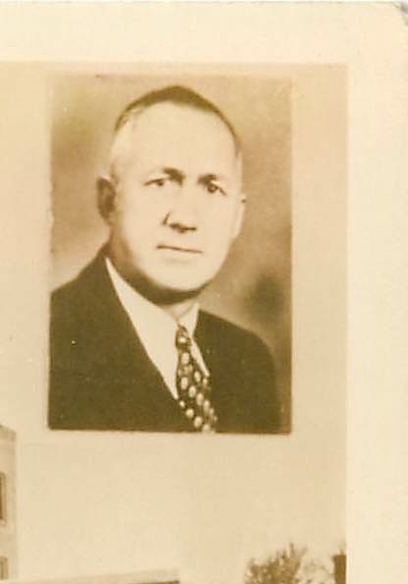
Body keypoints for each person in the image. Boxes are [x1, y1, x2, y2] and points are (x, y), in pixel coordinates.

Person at [49, 86, 282, 433]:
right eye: (160, 183)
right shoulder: (50, 343)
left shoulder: (249, 360)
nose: (185, 219)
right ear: (109, 202)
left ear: (237, 217)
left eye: (212, 188)